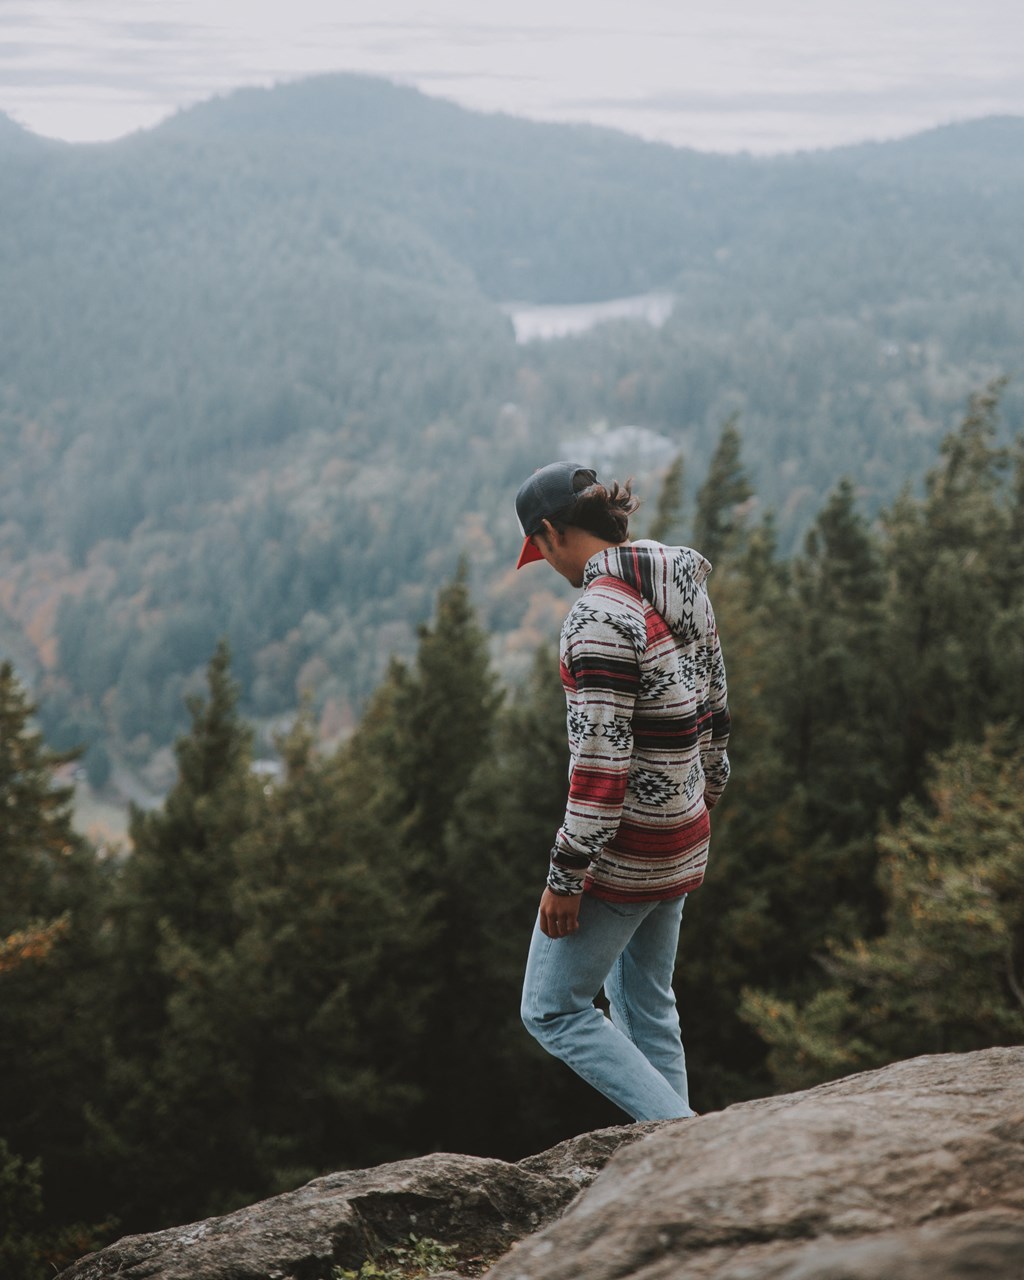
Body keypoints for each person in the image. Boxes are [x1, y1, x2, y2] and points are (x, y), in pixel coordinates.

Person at [515, 460, 730, 1121]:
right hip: (682, 831)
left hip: (627, 850)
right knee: (645, 1006)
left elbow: (601, 766)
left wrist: (566, 875)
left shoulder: (597, 617)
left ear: (550, 533)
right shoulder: (682, 586)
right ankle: (676, 1167)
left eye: (538, 549)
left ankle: (682, 1138)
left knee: (551, 1009)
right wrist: (705, 789)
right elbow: (715, 707)